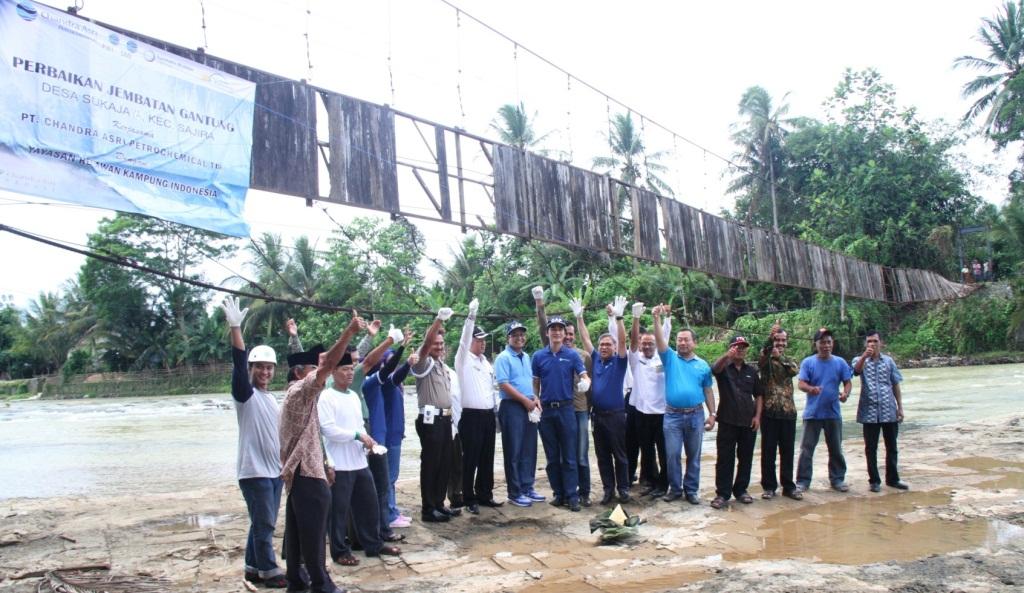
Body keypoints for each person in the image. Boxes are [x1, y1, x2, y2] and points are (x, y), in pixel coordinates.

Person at [279, 312, 364, 593]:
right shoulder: (300, 393)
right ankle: (321, 583)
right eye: (312, 367)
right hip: (305, 475)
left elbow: (313, 436)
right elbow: (328, 364)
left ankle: (297, 582)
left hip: (302, 471)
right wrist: (350, 332)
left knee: (296, 535)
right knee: (314, 536)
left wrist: (326, 462)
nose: (321, 371)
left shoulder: (300, 396)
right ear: (300, 373)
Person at [318, 329, 403, 566]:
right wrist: (357, 435)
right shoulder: (327, 397)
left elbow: (359, 426)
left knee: (369, 503)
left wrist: (368, 440)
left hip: (358, 460)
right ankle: (339, 551)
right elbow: (328, 430)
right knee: (339, 510)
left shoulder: (354, 396)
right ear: (333, 372)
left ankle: (373, 543)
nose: (348, 374)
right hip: (340, 462)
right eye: (344, 370)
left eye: (350, 370)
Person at [221, 297, 287, 588]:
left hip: (274, 471)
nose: (265, 372)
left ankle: (251, 566)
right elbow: (237, 365)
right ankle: (269, 572)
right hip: (255, 471)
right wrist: (236, 327)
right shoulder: (244, 395)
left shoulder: (270, 398)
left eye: (269, 368)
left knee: (261, 522)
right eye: (259, 367)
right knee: (265, 525)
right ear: (251, 368)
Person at [534, 286, 593, 507]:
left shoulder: (575, 355)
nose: (558, 333)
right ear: (548, 332)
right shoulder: (539, 355)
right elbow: (535, 381)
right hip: (547, 410)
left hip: (570, 409)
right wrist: (534, 400)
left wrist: (586, 383)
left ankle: (574, 495)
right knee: (552, 457)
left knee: (572, 456)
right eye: (554, 329)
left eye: (562, 330)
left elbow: (585, 374)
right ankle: (558, 493)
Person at [652, 304, 715, 505]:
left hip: (696, 414)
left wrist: (712, 413)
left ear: (694, 343)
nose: (682, 343)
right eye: (679, 340)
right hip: (672, 415)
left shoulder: (703, 365)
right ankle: (675, 489)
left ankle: (691, 490)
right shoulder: (669, 358)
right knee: (672, 455)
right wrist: (656, 318)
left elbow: (708, 390)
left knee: (694, 455)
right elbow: (660, 341)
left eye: (686, 340)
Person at [574, 296, 631, 505]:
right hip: (597, 417)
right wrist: (579, 318)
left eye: (608, 344)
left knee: (620, 455)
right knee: (603, 456)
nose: (604, 347)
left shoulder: (620, 362)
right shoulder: (596, 358)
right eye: (602, 344)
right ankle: (608, 490)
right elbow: (586, 340)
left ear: (614, 348)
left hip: (616, 416)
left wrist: (619, 317)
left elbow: (624, 340)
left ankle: (623, 489)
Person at [612, 302, 671, 499]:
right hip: (642, 412)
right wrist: (635, 317)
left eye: (650, 343)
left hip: (662, 413)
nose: (646, 346)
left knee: (664, 452)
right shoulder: (636, 360)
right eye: (644, 343)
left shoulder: (663, 360)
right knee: (646, 450)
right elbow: (633, 343)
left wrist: (662, 318)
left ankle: (664, 484)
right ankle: (650, 482)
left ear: (657, 344)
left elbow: (665, 335)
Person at [455, 299, 503, 514]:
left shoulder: (486, 362)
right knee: (471, 458)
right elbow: (464, 341)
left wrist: (496, 414)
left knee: (487, 457)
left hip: (487, 415)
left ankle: (485, 494)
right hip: (470, 416)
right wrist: (471, 316)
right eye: (478, 339)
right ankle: (469, 498)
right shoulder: (463, 359)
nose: (482, 343)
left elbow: (491, 390)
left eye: (484, 340)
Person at [411, 306, 458, 523]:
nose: (438, 347)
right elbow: (426, 344)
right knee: (430, 464)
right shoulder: (423, 364)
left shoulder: (441, 365)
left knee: (444, 462)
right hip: (430, 421)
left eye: (441, 344)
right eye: (435, 344)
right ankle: (428, 509)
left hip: (445, 419)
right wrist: (438, 320)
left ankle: (439, 503)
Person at [795, 327, 853, 493]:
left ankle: (837, 480)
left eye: (828, 342)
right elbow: (801, 384)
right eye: (822, 342)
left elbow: (847, 382)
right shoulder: (808, 362)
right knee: (806, 449)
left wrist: (845, 394)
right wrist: (811, 389)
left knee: (835, 448)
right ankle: (803, 481)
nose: (826, 345)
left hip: (833, 413)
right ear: (816, 344)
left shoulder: (840, 362)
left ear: (832, 343)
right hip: (812, 413)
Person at [710, 335, 763, 509]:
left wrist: (757, 417)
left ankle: (741, 490)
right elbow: (714, 370)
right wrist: (727, 356)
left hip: (748, 422)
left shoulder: (752, 371)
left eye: (743, 347)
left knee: (746, 458)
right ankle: (722, 494)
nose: (740, 349)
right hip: (726, 420)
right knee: (725, 458)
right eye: (736, 346)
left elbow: (759, 395)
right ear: (731, 347)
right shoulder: (724, 368)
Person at [852, 331, 907, 492]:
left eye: (875, 341)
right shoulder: (859, 359)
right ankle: (874, 481)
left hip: (888, 409)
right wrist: (864, 356)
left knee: (892, 446)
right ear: (865, 344)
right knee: (871, 448)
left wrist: (900, 407)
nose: (872, 344)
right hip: (868, 411)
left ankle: (893, 479)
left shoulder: (889, 362)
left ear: (880, 343)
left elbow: (895, 384)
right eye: (869, 341)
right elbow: (855, 371)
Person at [495, 320, 543, 507]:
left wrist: (535, 398)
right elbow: (504, 384)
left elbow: (530, 381)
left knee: (529, 449)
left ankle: (527, 486)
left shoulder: (526, 356)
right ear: (508, 337)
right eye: (515, 335)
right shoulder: (503, 358)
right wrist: (525, 400)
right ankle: (514, 492)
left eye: (522, 334)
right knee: (513, 450)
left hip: (529, 405)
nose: (519, 338)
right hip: (512, 407)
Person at [758, 325, 802, 500]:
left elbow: (794, 371)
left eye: (783, 340)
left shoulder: (790, 359)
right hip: (768, 413)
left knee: (787, 451)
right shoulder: (765, 358)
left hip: (788, 412)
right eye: (777, 340)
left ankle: (789, 486)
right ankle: (769, 487)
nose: (780, 343)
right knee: (768, 451)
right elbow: (761, 360)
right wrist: (770, 340)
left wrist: (780, 357)